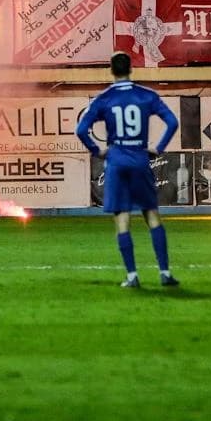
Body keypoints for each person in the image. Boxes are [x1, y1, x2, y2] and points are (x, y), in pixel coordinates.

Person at [75, 51, 181, 288]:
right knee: (152, 215)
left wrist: (97, 150)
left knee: (122, 220)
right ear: (131, 69)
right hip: (140, 160)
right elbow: (172, 122)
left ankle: (132, 276)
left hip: (117, 162)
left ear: (111, 71)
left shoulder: (104, 99)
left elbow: (81, 129)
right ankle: (164, 273)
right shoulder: (146, 96)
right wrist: (159, 148)